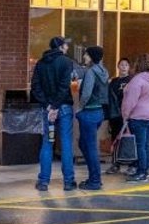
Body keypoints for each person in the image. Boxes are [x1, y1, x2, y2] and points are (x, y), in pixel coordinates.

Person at [31, 36, 77, 190]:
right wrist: (56, 106)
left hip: (48, 111)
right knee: (65, 143)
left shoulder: (40, 63)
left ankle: (43, 181)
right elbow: (64, 87)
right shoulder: (66, 62)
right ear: (60, 47)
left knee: (48, 143)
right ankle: (69, 182)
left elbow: (35, 87)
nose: (67, 48)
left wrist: (49, 106)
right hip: (63, 109)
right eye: (66, 45)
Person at [73, 45, 109, 190]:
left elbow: (87, 93)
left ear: (92, 57)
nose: (84, 57)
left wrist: (79, 108)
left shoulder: (90, 72)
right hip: (98, 112)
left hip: (88, 112)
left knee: (90, 146)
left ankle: (95, 180)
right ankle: (94, 177)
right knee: (84, 144)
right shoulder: (103, 71)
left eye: (86, 55)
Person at [120, 58, 149, 183]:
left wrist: (125, 116)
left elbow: (130, 102)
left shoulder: (137, 80)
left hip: (139, 116)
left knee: (140, 146)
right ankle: (145, 170)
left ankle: (142, 172)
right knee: (146, 144)